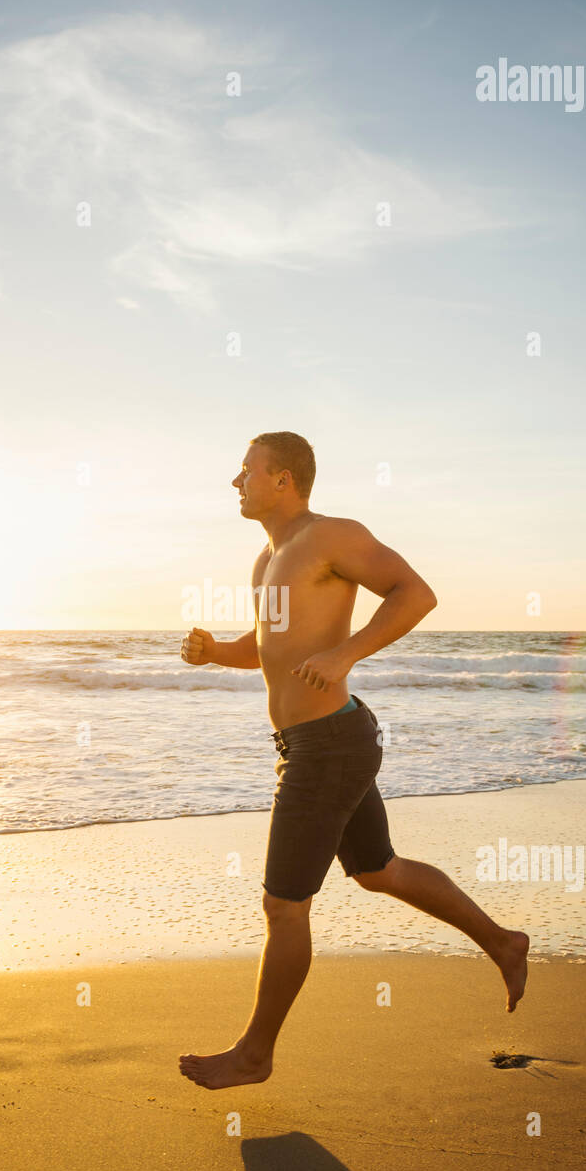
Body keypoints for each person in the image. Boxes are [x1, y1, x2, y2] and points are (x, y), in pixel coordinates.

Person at [178, 432, 528, 1090]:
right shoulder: (267, 560)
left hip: (328, 750)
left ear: (283, 479)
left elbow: (414, 593)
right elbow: (271, 647)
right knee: (379, 870)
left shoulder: (332, 536)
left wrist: (347, 654)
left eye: (246, 470)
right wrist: (217, 652)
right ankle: (504, 942)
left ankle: (256, 1054)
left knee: (284, 907)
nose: (236, 481)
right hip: (315, 746)